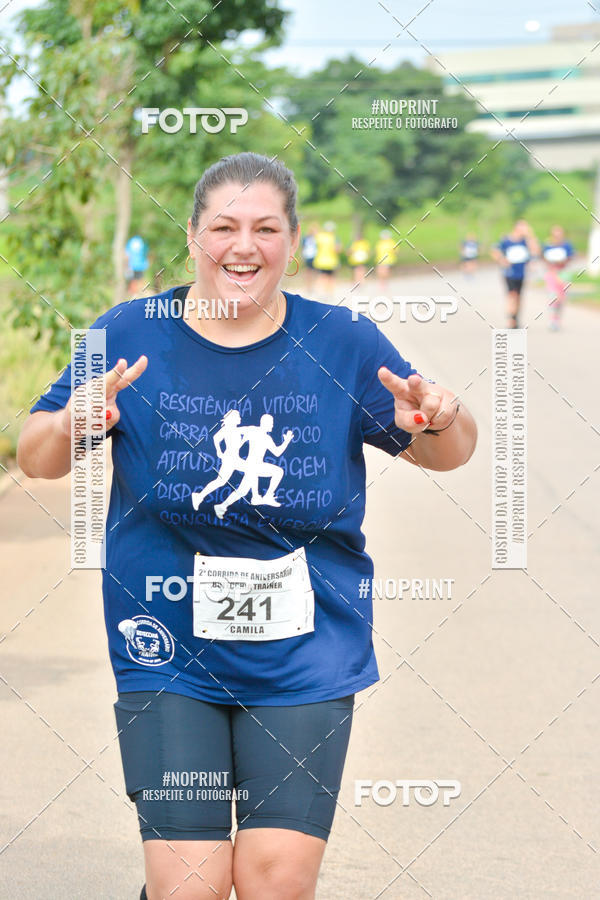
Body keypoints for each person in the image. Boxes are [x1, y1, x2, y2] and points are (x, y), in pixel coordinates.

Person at [17, 152, 477, 900]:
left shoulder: (343, 342)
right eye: (224, 226)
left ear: (292, 239)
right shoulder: (129, 331)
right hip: (164, 647)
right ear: (194, 235)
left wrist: (440, 418)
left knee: (276, 883)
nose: (244, 246)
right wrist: (75, 421)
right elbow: (34, 456)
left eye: (266, 228)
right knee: (190, 886)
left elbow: (447, 453)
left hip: (307, 651)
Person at [492, 220, 540, 328]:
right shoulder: (506, 240)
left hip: (521, 273)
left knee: (518, 297)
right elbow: (495, 250)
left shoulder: (526, 241)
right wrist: (502, 260)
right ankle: (511, 320)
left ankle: (516, 318)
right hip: (509, 273)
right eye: (522, 227)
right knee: (512, 295)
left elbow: (535, 251)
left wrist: (530, 236)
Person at [542, 225, 575, 331]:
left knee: (561, 299)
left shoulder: (567, 246)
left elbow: (571, 258)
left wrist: (562, 262)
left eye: (559, 233)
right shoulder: (547, 246)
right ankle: (552, 320)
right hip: (551, 273)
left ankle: (557, 319)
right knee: (553, 297)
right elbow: (543, 259)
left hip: (563, 274)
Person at [312, 221, 340, 295]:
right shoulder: (334, 238)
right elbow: (337, 249)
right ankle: (330, 293)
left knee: (322, 276)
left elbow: (314, 234)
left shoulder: (320, 237)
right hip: (331, 261)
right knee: (331, 277)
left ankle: (320, 292)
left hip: (321, 261)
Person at [300, 221, 319, 291]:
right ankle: (308, 286)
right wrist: (302, 256)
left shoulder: (317, 238)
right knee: (308, 271)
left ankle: (314, 285)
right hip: (307, 256)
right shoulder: (306, 238)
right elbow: (303, 247)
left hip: (315, 256)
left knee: (315, 272)